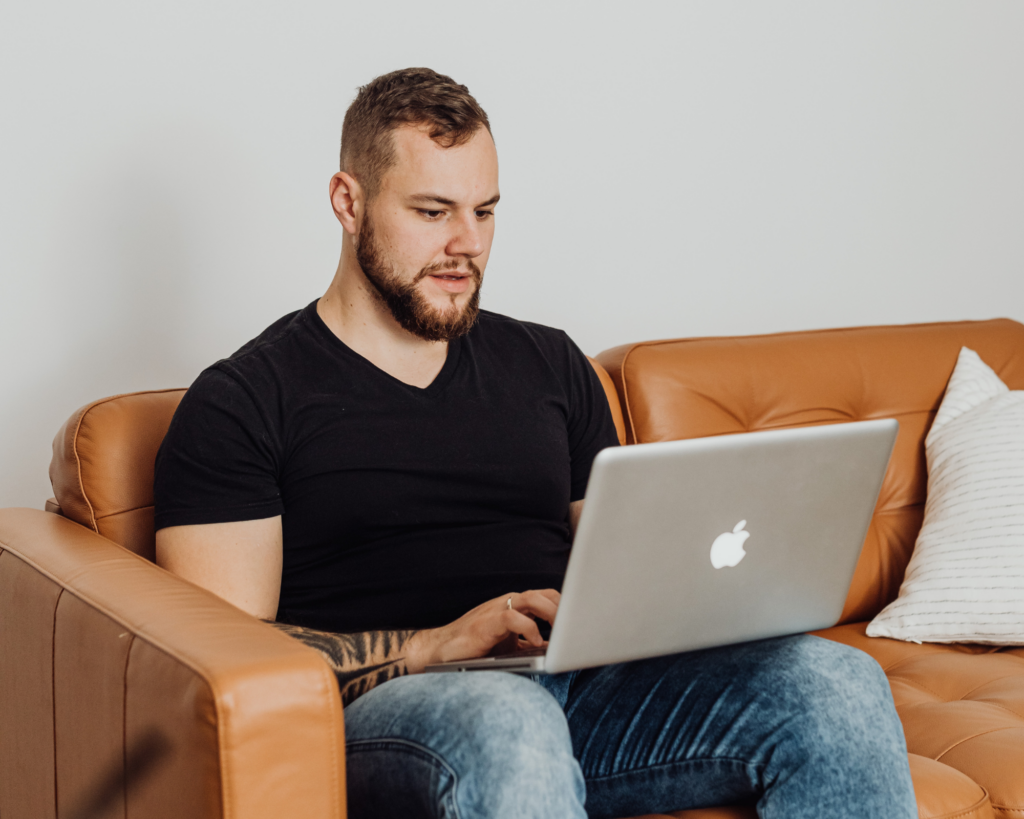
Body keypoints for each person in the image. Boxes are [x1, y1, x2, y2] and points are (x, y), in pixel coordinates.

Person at [153, 67, 917, 819]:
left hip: (578, 688)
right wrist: (434, 645)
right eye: (432, 211)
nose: (466, 243)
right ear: (348, 203)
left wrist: (711, 598)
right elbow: (217, 664)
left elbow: (627, 563)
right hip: (399, 712)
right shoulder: (242, 402)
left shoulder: (549, 362)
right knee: (509, 722)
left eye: (485, 211)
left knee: (835, 683)